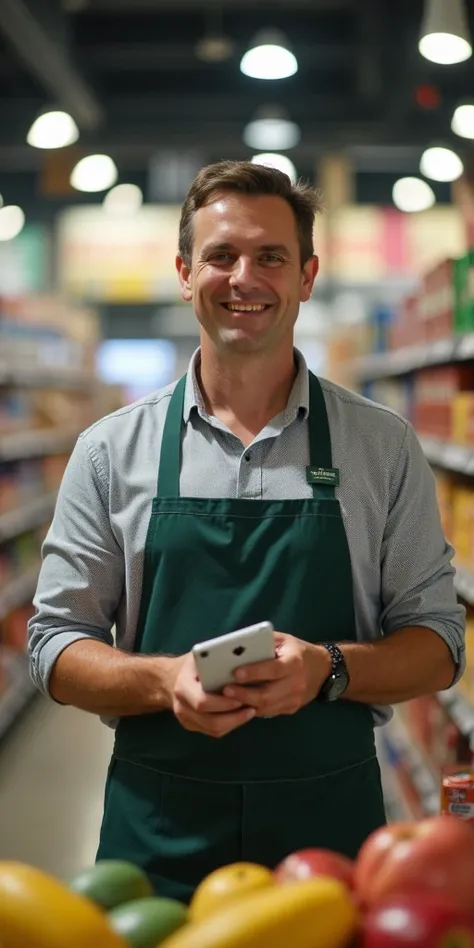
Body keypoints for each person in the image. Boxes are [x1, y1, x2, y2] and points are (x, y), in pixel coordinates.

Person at [28, 160, 465, 903]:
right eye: (220, 256)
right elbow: (55, 645)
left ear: (307, 275)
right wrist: (166, 681)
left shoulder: (380, 447)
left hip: (333, 841)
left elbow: (437, 646)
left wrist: (324, 667)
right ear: (183, 272)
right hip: (157, 832)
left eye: (270, 257)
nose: (244, 278)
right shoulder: (110, 451)